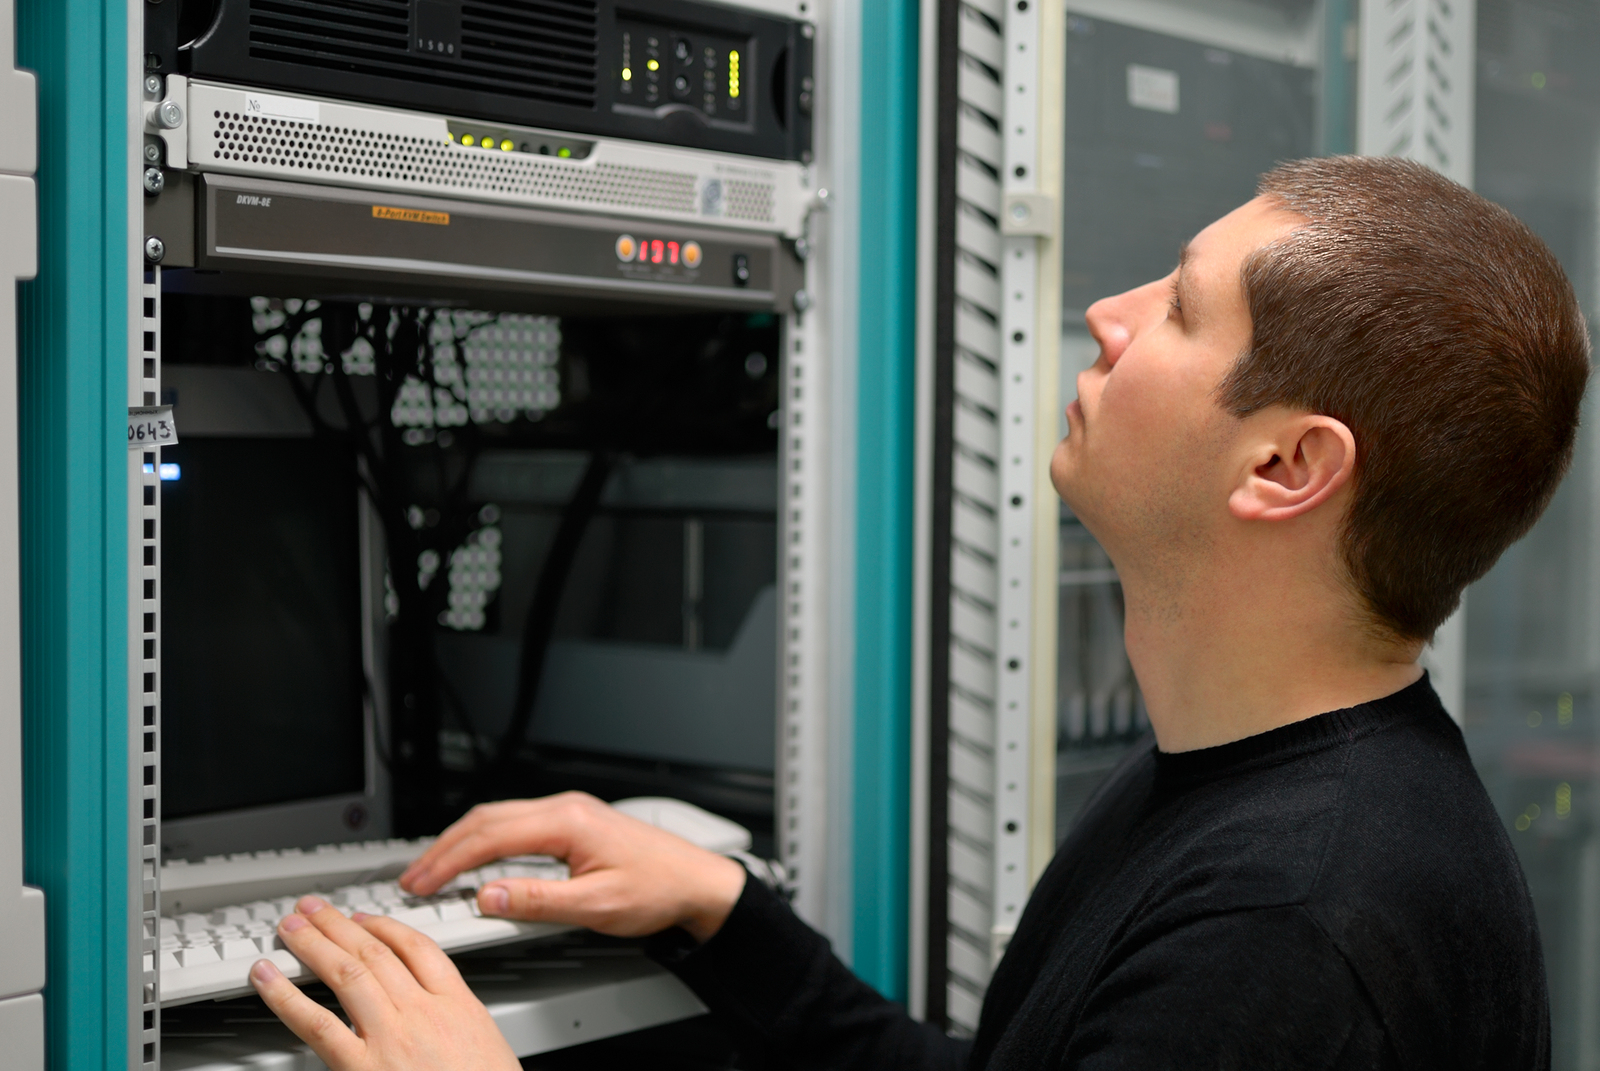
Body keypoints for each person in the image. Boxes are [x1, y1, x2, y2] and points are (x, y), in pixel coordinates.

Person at [246, 156, 1590, 1069]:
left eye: (1178, 309)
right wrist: (726, 913)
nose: (1105, 318)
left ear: (1284, 468)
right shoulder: (1253, 788)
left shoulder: (1294, 926)